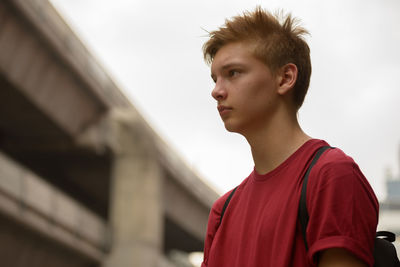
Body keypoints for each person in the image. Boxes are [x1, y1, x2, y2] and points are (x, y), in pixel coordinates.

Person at [201, 7, 378, 267]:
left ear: (285, 78)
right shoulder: (222, 211)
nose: (216, 91)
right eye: (215, 78)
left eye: (233, 73)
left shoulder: (332, 176)